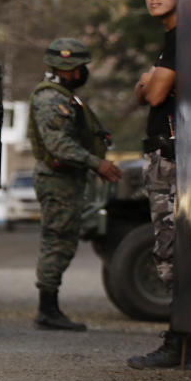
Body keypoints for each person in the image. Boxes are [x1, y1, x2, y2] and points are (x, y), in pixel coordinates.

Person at [127, 0, 191, 369]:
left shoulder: (180, 38)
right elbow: (145, 91)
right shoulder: (171, 38)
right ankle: (183, 345)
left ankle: (180, 346)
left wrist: (150, 78)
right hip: (164, 155)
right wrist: (149, 78)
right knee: (169, 248)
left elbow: (153, 95)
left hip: (171, 158)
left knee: (171, 251)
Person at [27, 38, 123, 331]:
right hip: (57, 182)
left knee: (62, 242)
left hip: (67, 181)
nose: (84, 72)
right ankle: (47, 310)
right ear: (69, 69)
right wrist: (98, 164)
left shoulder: (64, 96)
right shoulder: (51, 99)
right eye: (80, 66)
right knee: (57, 242)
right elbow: (59, 145)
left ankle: (50, 308)